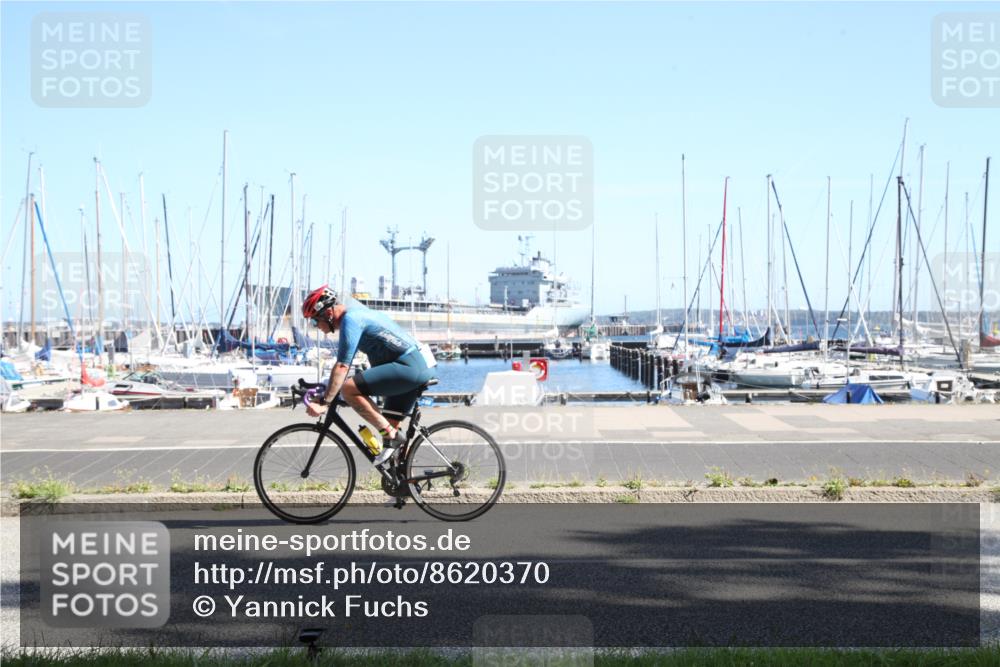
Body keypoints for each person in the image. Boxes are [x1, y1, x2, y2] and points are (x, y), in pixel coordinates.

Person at [301, 285, 437, 465]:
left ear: (327, 313)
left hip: (411, 366)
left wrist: (325, 403)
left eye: (314, 321)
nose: (315, 326)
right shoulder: (358, 313)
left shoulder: (351, 320)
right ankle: (404, 483)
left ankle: (391, 435)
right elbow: (343, 370)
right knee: (389, 428)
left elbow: (342, 366)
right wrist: (327, 391)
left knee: (349, 389)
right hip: (417, 364)